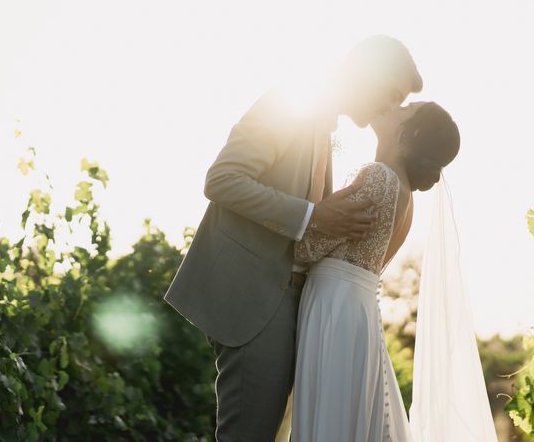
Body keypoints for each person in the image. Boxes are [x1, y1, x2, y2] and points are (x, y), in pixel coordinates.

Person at [164, 35, 423, 441]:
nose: (391, 107)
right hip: (254, 302)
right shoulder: (286, 105)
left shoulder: (324, 129)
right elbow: (222, 179)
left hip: (291, 309)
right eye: (392, 94)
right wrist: (313, 215)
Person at [290, 102, 460, 441]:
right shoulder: (405, 195)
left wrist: (315, 171)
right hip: (355, 311)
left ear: (410, 132)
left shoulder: (379, 178)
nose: (394, 105)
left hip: (333, 310)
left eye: (407, 108)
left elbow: (304, 249)